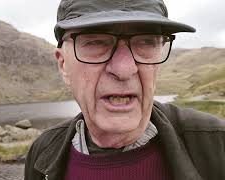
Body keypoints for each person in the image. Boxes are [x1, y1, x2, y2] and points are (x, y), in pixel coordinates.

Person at [25, 0, 225, 179]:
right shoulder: (41, 152)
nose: (124, 69)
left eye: (146, 41)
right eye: (95, 42)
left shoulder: (218, 144)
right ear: (64, 66)